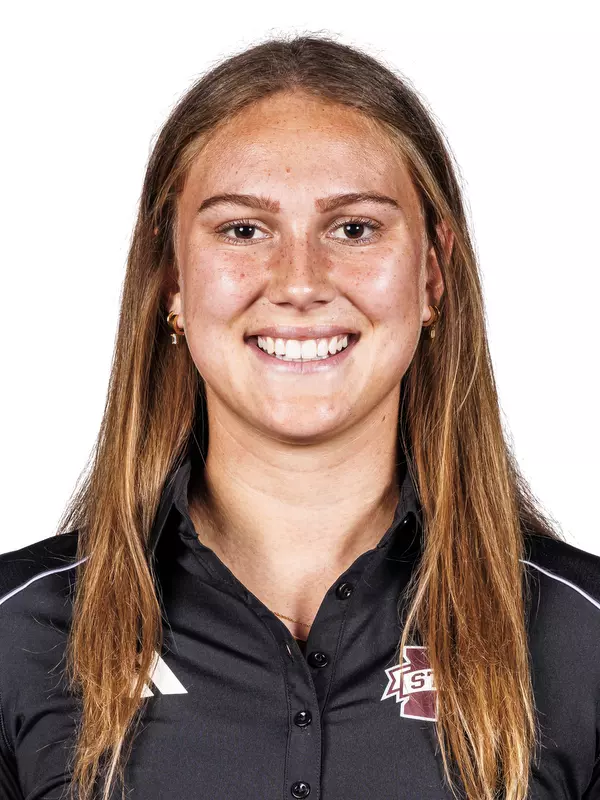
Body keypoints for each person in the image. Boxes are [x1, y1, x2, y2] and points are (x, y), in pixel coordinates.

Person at [1, 33, 599, 800]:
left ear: (433, 275)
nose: (300, 282)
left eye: (354, 228)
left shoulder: (581, 640)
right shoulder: (18, 636)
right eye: (243, 230)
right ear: (171, 280)